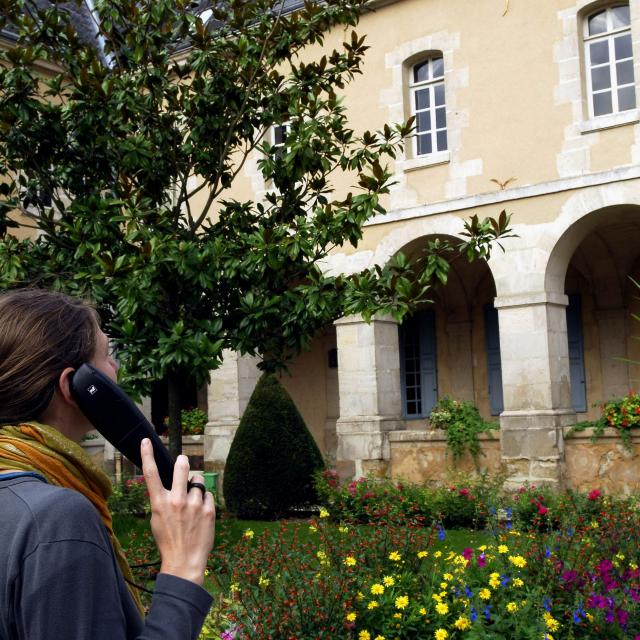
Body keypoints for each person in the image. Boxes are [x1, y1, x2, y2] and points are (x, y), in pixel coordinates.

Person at [0, 289, 215, 639]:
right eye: (107, 355)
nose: (117, 367)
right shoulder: (56, 520)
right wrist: (182, 569)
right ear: (77, 387)